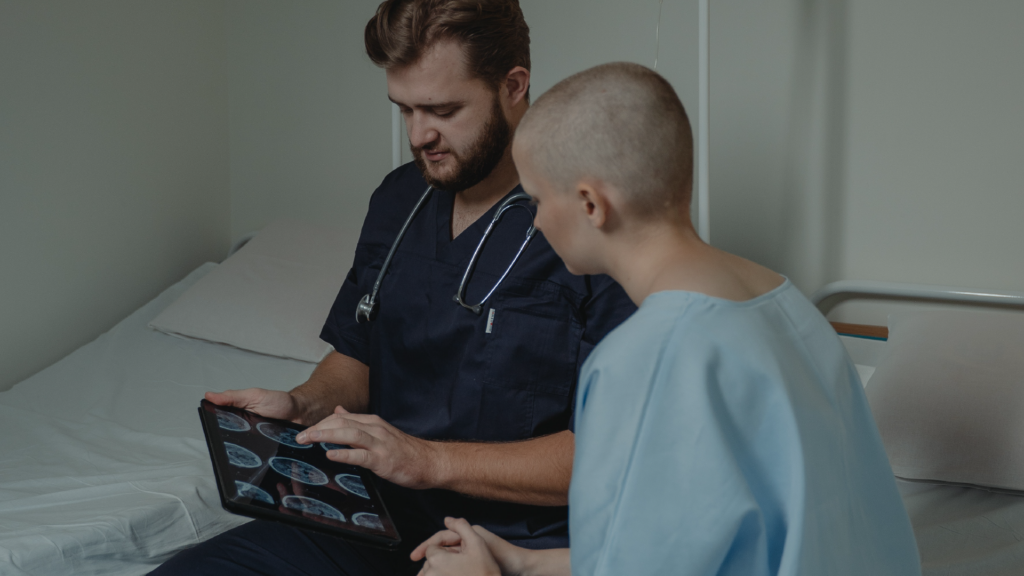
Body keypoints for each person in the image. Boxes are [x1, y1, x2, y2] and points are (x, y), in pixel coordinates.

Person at [150, 2, 636, 575]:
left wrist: (426, 460)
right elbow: (358, 353)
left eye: (443, 109)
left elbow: (612, 456)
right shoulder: (399, 200)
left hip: (514, 545)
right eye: (404, 109)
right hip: (366, 513)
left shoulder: (594, 224)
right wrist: (302, 404)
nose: (418, 134)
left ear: (513, 85)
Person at [409, 62, 922, 576]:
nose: (537, 221)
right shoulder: (790, 307)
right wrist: (523, 563)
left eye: (537, 200)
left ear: (591, 204)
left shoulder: (643, 361)